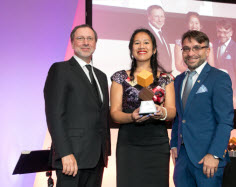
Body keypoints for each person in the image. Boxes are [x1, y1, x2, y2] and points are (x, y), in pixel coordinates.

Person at [44, 24, 111, 187]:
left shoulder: (101, 76)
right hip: (71, 158)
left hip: (97, 159)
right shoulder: (60, 69)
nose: (86, 42)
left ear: (95, 43)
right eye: (80, 38)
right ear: (72, 43)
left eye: (90, 38)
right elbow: (54, 115)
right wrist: (64, 153)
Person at [110, 28, 176, 187]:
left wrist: (162, 112)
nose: (142, 46)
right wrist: (131, 117)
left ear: (154, 49)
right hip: (129, 144)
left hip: (157, 144)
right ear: (131, 49)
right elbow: (114, 113)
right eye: (137, 43)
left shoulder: (166, 78)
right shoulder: (120, 77)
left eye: (146, 43)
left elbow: (172, 112)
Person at [170, 30, 234, 187]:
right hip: (183, 158)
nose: (191, 53)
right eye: (186, 48)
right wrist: (173, 143)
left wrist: (215, 154)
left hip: (207, 158)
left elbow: (225, 121)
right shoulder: (178, 80)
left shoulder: (219, 77)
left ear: (207, 50)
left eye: (197, 48)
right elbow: (179, 117)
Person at [213, 19, 236, 108]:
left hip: (231, 95)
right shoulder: (214, 45)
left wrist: (235, 95)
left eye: (225, 32)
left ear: (231, 33)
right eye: (219, 31)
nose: (222, 35)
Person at [146, 5, 172, 72]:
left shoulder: (163, 34)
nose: (160, 20)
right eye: (156, 16)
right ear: (149, 17)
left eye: (162, 16)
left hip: (164, 77)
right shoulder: (145, 34)